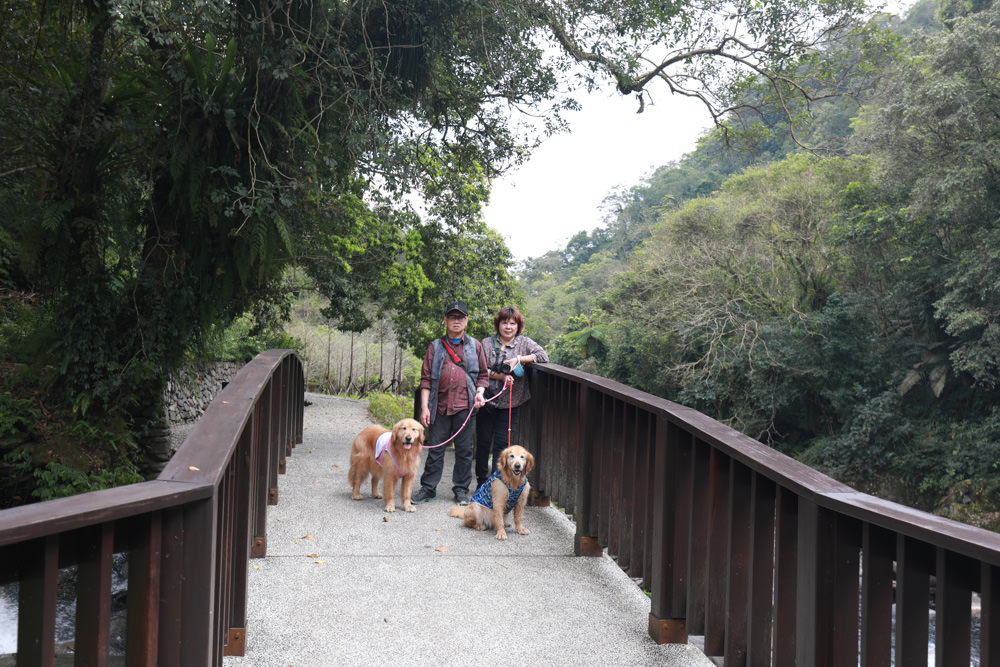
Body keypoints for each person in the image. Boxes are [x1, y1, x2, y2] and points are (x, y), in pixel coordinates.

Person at [411, 301, 488, 506]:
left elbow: (483, 375)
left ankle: (461, 490)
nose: (456, 321)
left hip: (466, 406)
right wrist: (425, 407)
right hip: (440, 406)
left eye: (460, 317)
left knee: (464, 451)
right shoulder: (435, 347)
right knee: (435, 449)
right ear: (445, 320)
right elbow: (426, 380)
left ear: (466, 321)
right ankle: (428, 488)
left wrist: (480, 394)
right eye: (452, 317)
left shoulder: (475, 346)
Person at [475, 305, 548, 489]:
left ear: (518, 326)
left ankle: (496, 483)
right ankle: (480, 482)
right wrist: (499, 376)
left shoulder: (524, 343)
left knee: (502, 445)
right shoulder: (486, 343)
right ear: (498, 325)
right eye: (504, 323)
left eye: (512, 323)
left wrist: (520, 359)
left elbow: (543, 356)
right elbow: (479, 369)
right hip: (487, 400)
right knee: (483, 442)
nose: (508, 327)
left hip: (511, 403)